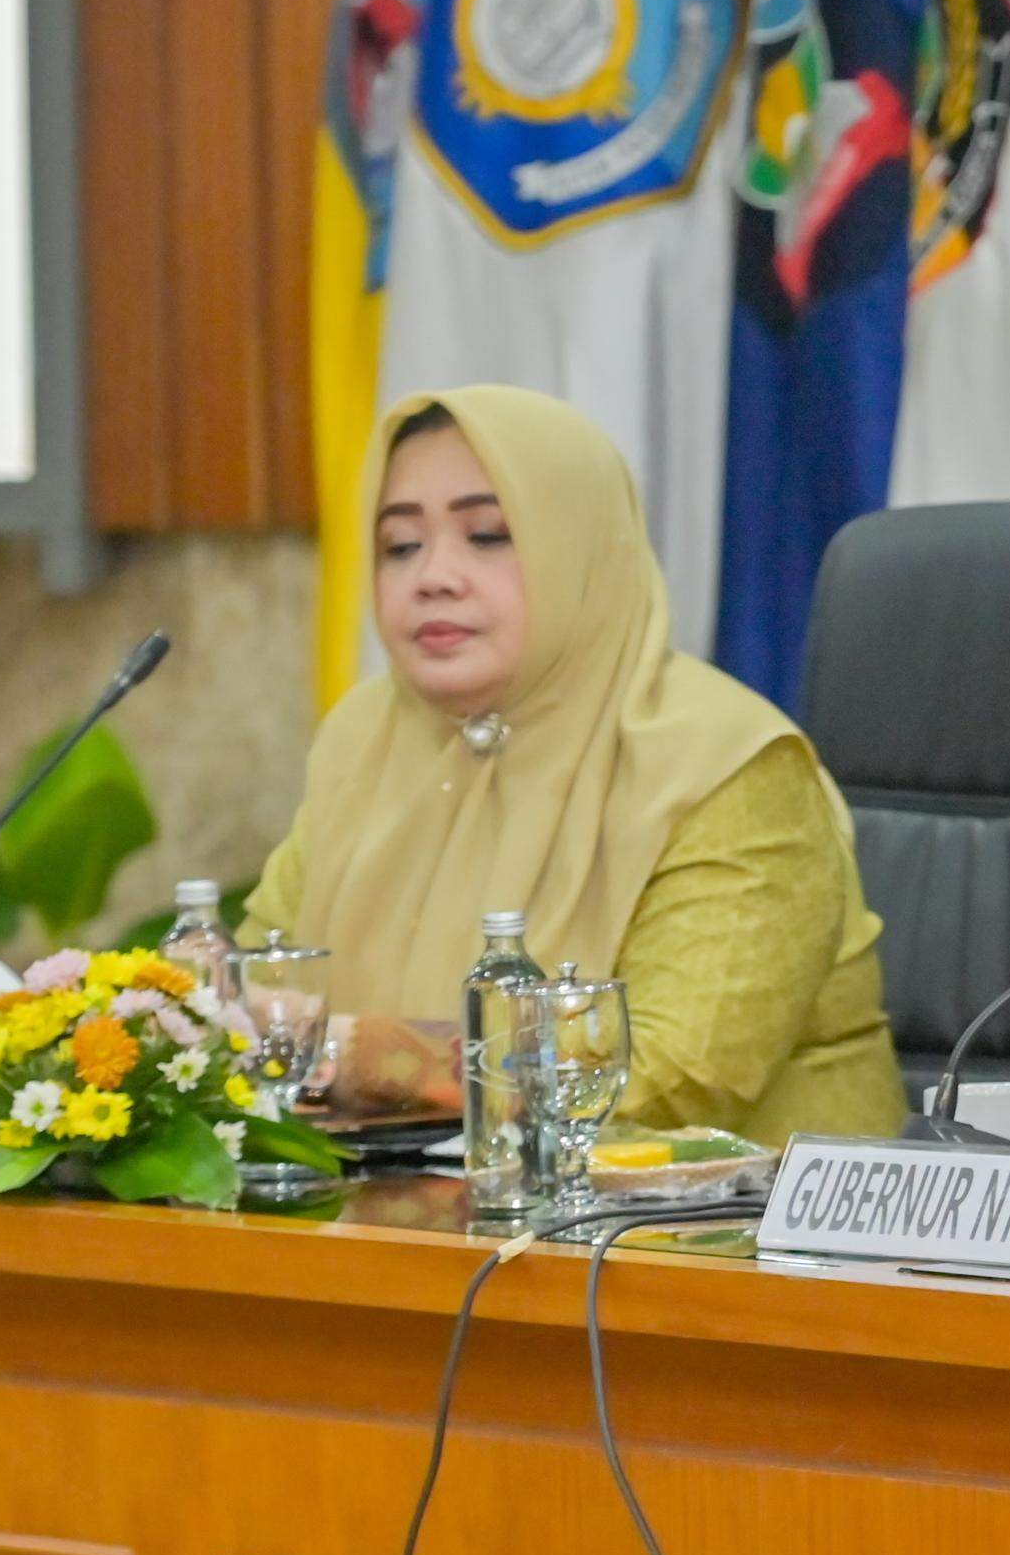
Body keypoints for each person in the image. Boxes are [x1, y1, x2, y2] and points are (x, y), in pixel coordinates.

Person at [243, 385, 908, 1144]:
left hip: (722, 1240)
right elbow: (257, 991)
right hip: (409, 1227)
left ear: (584, 548)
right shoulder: (365, 739)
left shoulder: (730, 766)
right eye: (400, 545)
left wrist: (360, 1055)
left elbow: (665, 1079)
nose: (434, 575)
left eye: (488, 535)